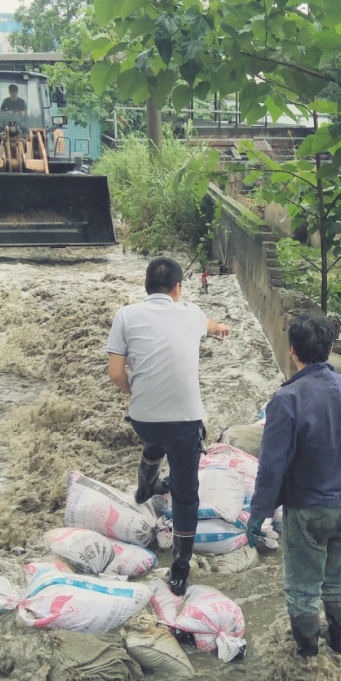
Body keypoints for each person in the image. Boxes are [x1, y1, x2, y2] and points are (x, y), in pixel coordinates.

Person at [106, 256, 229, 597]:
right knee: (186, 494)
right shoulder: (190, 313)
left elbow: (116, 374)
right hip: (184, 424)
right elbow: (209, 323)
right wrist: (220, 329)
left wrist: (137, 393)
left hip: (143, 420)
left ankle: (145, 487)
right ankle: (179, 567)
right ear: (178, 289)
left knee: (154, 441)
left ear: (146, 286)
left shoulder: (125, 316)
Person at [246, 314, 341, 658]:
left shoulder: (286, 400)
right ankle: (339, 644)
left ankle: (308, 658)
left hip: (310, 504)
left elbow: (272, 465)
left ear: (292, 350)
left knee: (302, 585)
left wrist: (260, 513)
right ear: (331, 349)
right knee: (337, 576)